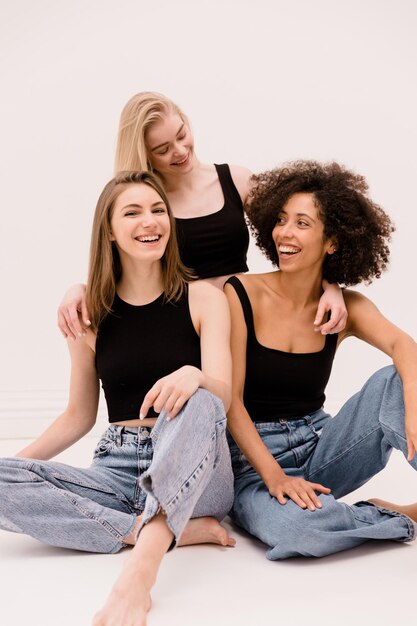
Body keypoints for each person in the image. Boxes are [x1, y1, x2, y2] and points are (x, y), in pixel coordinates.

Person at [0, 171, 235, 626]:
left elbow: (222, 397)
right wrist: (22, 474)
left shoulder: (205, 298)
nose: (150, 222)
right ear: (109, 230)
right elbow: (78, 416)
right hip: (118, 470)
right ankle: (153, 531)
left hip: (199, 471)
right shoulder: (89, 315)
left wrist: (194, 375)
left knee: (201, 400)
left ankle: (138, 574)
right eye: (132, 212)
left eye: (157, 210)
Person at [224, 160, 417, 559]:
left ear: (332, 242)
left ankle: (335, 514)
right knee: (298, 532)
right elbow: (230, 401)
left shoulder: (345, 306)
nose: (284, 233)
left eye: (302, 223)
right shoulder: (241, 293)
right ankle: (396, 517)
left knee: (395, 383)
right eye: (280, 220)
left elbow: (405, 347)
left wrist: (412, 409)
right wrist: (275, 476)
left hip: (323, 447)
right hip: (254, 469)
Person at [57, 91, 347, 340]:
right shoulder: (149, 207)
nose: (181, 151)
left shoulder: (238, 180)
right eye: (163, 149)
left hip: (245, 322)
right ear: (144, 153)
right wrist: (80, 289)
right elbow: (125, 271)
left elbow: (297, 238)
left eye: (182, 135)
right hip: (184, 329)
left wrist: (329, 284)